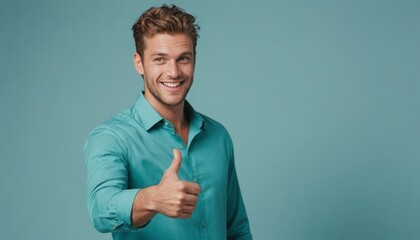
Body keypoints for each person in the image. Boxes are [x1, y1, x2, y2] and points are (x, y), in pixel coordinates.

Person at [84, 4, 252, 240]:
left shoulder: (218, 136)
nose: (173, 72)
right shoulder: (111, 137)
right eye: (160, 59)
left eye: (183, 58)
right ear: (139, 63)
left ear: (194, 60)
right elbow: (100, 210)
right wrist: (153, 198)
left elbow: (236, 229)